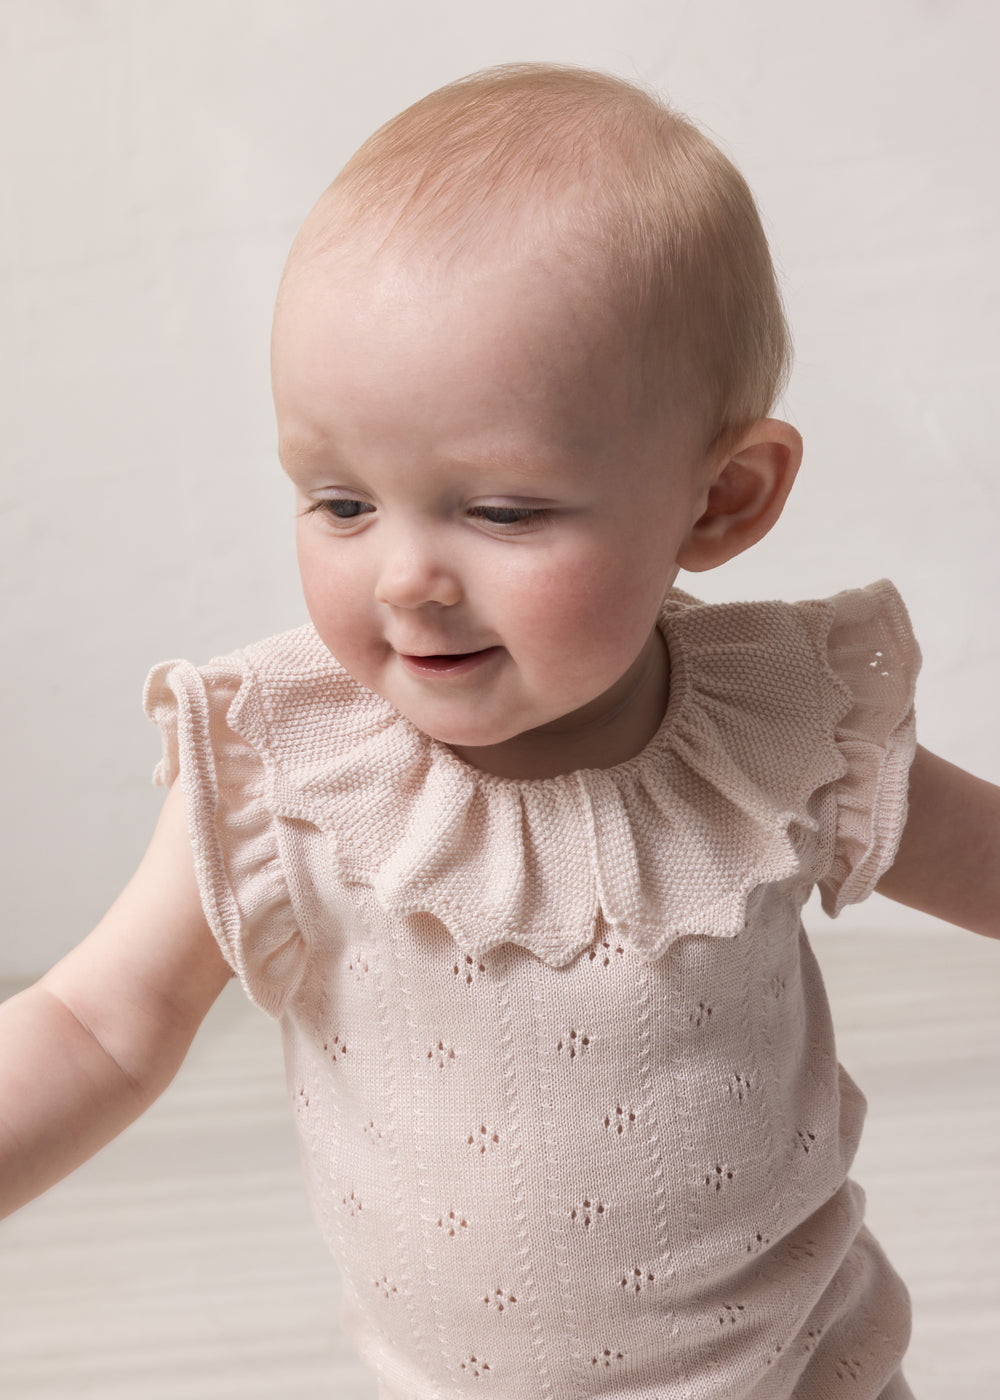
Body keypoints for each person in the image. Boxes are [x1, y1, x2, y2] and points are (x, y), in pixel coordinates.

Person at [1, 61, 997, 1400]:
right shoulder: (291, 770)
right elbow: (97, 1022)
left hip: (802, 1375)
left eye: (505, 513)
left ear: (724, 498)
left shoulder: (778, 729)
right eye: (342, 503)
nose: (405, 576)